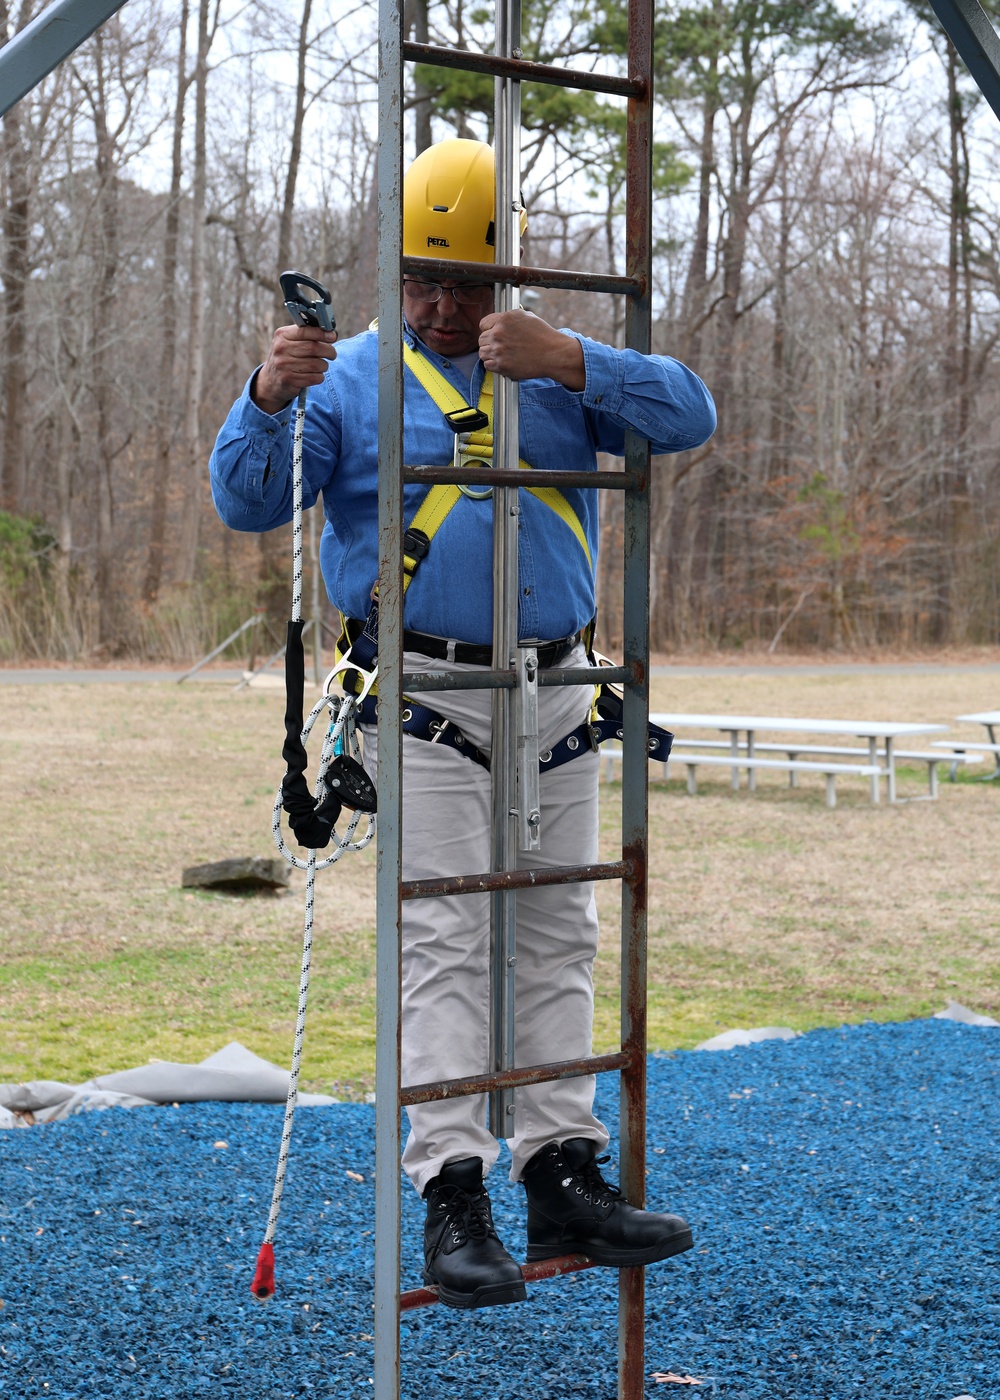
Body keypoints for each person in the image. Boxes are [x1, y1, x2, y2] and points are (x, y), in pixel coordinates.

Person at [210, 138, 716, 1311]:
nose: (445, 307)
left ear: (508, 279)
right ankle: (451, 1192)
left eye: (469, 285)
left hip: (552, 688)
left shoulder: (550, 368)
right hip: (428, 695)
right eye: (424, 282)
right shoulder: (346, 379)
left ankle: (559, 1165)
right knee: (440, 941)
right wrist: (266, 393)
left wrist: (578, 358)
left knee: (555, 929)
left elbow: (686, 413)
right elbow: (251, 500)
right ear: (396, 277)